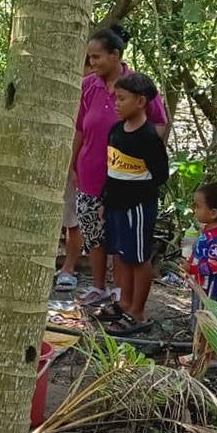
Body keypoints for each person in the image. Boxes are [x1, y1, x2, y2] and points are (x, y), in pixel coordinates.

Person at [71, 25, 170, 304]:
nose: (92, 62)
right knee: (94, 231)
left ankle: (121, 291)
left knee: (122, 236)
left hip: (126, 180)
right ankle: (98, 285)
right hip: (91, 172)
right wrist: (72, 165)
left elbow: (159, 122)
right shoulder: (88, 86)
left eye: (97, 56)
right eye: (90, 57)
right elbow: (79, 128)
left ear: (115, 55)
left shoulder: (137, 85)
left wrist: (141, 154)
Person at [98, 73, 168, 335]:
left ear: (140, 101)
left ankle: (137, 311)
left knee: (138, 258)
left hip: (137, 207)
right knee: (122, 255)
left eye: (122, 99)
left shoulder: (148, 137)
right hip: (115, 205)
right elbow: (111, 169)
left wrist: (135, 193)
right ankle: (124, 303)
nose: (116, 104)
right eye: (116, 98)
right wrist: (105, 199)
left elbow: (160, 174)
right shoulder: (116, 131)